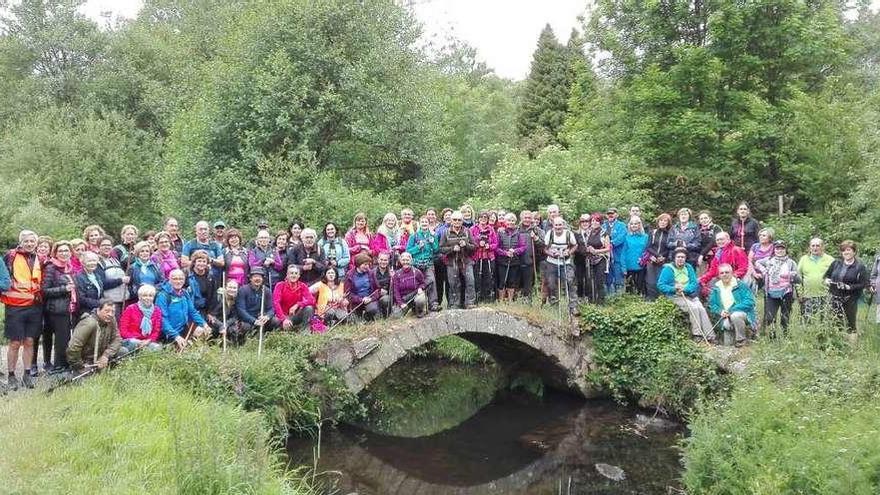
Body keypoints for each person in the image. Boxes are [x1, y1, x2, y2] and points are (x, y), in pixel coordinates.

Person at [2, 231, 43, 389]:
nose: (30, 243)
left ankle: (27, 374)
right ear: (21, 242)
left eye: (32, 241)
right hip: (15, 306)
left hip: (34, 306)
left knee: (29, 341)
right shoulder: (10, 256)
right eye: (26, 241)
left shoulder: (39, 258)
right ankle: (11, 375)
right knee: (14, 342)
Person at [658, 248, 716, 343]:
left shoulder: (688, 267)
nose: (680, 259)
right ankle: (697, 334)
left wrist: (686, 289)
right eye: (678, 257)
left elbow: (694, 283)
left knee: (701, 308)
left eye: (683, 257)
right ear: (674, 258)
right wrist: (674, 288)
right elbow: (661, 285)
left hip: (689, 294)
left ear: (685, 259)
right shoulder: (668, 269)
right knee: (693, 308)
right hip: (675, 296)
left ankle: (710, 335)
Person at [40, 241, 77, 372]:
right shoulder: (51, 267)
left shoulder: (70, 267)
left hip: (67, 308)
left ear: (71, 253)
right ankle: (59, 367)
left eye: (66, 251)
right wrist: (64, 288)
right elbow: (44, 291)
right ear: (55, 253)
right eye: (60, 251)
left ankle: (63, 365)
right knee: (61, 339)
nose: (64, 253)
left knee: (65, 338)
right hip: (56, 309)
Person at [66, 299, 128, 373]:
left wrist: (105, 355)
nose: (110, 314)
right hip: (86, 361)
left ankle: (111, 373)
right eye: (107, 311)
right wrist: (79, 365)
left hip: (101, 356)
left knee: (123, 351)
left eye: (113, 312)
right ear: (98, 310)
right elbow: (73, 347)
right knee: (86, 381)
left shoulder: (111, 320)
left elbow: (117, 339)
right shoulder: (89, 323)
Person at [754, 241, 800, 337]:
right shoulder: (769, 260)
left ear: (786, 250)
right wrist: (763, 270)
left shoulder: (791, 262)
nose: (779, 250)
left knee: (785, 317)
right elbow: (757, 262)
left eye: (782, 248)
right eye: (777, 248)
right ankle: (772, 336)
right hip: (771, 292)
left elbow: (798, 279)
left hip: (786, 292)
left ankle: (786, 336)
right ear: (774, 250)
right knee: (770, 317)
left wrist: (791, 275)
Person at [155, 269, 209, 349]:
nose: (178, 281)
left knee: (201, 331)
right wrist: (176, 336)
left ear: (184, 280)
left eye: (181, 279)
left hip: (182, 328)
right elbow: (162, 319)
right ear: (169, 280)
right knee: (178, 350)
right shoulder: (163, 296)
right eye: (175, 279)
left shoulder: (184, 293)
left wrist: (204, 324)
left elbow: (192, 312)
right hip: (168, 332)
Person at [824, 240, 868, 334]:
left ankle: (852, 348)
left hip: (850, 299)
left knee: (851, 325)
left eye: (848, 250)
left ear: (854, 252)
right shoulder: (836, 263)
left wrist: (849, 287)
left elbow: (863, 283)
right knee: (835, 323)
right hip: (834, 298)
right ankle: (837, 346)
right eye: (843, 250)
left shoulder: (859, 267)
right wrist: (827, 280)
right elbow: (827, 275)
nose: (846, 252)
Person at [708, 263, 756, 347]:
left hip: (742, 314)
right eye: (722, 273)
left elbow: (750, 301)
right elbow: (712, 305)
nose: (724, 275)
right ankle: (729, 348)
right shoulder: (716, 288)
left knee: (735, 316)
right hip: (725, 316)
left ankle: (741, 341)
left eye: (727, 272)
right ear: (719, 275)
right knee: (726, 330)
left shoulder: (740, 285)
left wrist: (732, 309)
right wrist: (720, 311)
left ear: (732, 273)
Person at [440, 211, 476, 309]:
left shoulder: (467, 231)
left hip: (466, 261)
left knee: (470, 281)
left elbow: (474, 247)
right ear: (451, 221)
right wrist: (452, 249)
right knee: (453, 283)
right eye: (455, 220)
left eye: (459, 220)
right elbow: (441, 248)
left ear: (462, 221)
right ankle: (455, 304)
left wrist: (466, 245)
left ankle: (470, 303)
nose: (457, 222)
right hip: (452, 262)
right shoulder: (445, 232)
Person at [543, 217, 579, 315]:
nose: (558, 227)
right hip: (552, 262)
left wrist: (569, 252)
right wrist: (551, 253)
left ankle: (573, 307)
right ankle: (554, 306)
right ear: (553, 226)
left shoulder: (568, 234)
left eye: (560, 225)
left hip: (565, 262)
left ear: (563, 225)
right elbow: (545, 249)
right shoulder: (549, 234)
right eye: (556, 225)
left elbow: (575, 245)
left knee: (570, 281)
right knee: (551, 284)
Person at [406, 216, 441, 311]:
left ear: (429, 224)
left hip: (428, 263)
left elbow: (437, 250)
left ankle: (433, 303)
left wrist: (433, 243)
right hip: (416, 264)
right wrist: (418, 247)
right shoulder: (414, 236)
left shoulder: (433, 235)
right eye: (422, 222)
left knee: (432, 281)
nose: (424, 223)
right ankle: (415, 305)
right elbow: (408, 251)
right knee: (415, 283)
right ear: (419, 223)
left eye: (426, 222)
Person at [797, 237, 836, 322]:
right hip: (808, 296)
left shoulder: (830, 260)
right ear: (809, 247)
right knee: (807, 321)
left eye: (818, 245)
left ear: (822, 247)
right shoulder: (804, 259)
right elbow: (798, 277)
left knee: (825, 321)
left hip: (826, 296)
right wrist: (800, 293)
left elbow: (836, 277)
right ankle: (809, 335)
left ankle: (824, 335)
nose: (815, 248)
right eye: (813, 245)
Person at [76, 251, 123, 317]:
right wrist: (100, 303)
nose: (92, 263)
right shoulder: (79, 277)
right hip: (86, 313)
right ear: (83, 262)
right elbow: (81, 299)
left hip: (97, 310)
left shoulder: (97, 275)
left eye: (94, 261)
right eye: (89, 261)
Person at [118, 284, 163, 352]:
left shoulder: (157, 310)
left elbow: (156, 331)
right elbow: (123, 330)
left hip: (147, 341)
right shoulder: (130, 309)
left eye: (150, 296)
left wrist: (148, 341)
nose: (147, 298)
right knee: (133, 344)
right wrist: (138, 341)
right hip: (131, 340)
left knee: (157, 348)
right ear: (139, 297)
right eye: (144, 295)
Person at [273, 265, 316, 333]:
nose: (294, 275)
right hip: (283, 316)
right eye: (291, 273)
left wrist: (298, 305)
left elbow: (312, 300)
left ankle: (304, 331)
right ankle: (288, 328)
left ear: (299, 276)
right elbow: (276, 303)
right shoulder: (280, 285)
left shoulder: (302, 286)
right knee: (275, 321)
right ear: (287, 275)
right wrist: (284, 319)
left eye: (296, 273)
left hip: (295, 315)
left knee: (309, 308)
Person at [237, 268, 277, 337]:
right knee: (245, 327)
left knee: (275, 321)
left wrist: (267, 316)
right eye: (255, 277)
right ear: (250, 279)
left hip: (261, 317)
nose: (257, 279)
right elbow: (241, 310)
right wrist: (254, 321)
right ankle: (245, 342)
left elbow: (271, 309)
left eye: (259, 277)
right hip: (248, 319)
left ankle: (266, 337)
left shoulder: (266, 290)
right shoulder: (243, 290)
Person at [495, 213, 525, 303]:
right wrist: (505, 253)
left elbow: (523, 247)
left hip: (514, 262)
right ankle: (501, 300)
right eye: (508, 220)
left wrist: (515, 251)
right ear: (505, 221)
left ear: (515, 222)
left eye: (512, 221)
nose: (510, 222)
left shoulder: (518, 233)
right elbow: (496, 247)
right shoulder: (500, 233)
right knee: (502, 281)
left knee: (511, 282)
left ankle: (510, 300)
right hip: (502, 262)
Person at [98, 236, 130, 318]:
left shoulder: (115, 260)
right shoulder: (97, 263)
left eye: (109, 245)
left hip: (124, 299)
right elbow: (102, 283)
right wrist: (121, 280)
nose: (107, 247)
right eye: (103, 245)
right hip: (111, 302)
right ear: (99, 247)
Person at [517, 210, 545, 302]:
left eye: (529, 218)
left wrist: (536, 238)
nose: (527, 219)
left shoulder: (537, 230)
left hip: (531, 260)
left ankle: (527, 300)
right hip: (517, 259)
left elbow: (543, 244)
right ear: (521, 218)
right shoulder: (517, 229)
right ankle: (517, 300)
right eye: (525, 217)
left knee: (529, 282)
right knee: (517, 281)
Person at [471, 211, 499, 303]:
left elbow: (496, 244)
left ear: (487, 219)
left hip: (488, 257)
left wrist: (489, 246)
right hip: (477, 256)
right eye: (481, 217)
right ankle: (478, 297)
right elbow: (470, 242)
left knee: (488, 277)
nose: (483, 219)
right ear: (478, 218)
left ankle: (487, 297)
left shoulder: (491, 230)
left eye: (485, 217)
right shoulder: (473, 229)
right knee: (477, 277)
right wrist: (478, 243)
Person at [582, 213, 610, 304]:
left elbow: (608, 248)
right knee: (589, 281)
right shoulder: (588, 232)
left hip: (600, 259)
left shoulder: (604, 233)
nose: (594, 222)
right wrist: (588, 249)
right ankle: (591, 301)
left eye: (597, 221)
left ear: (600, 222)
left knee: (599, 281)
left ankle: (601, 302)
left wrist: (596, 251)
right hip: (590, 259)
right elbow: (585, 244)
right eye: (593, 220)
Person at [644, 213, 672, 300]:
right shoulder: (653, 232)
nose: (663, 222)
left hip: (664, 260)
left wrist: (663, 257)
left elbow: (669, 247)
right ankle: (651, 299)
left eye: (665, 221)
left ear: (668, 223)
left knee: (661, 280)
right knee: (650, 281)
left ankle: (661, 300)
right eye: (661, 220)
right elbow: (648, 247)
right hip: (652, 259)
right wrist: (656, 255)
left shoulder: (670, 234)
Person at [392, 252, 428, 317]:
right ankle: (408, 309)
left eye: (407, 260)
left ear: (411, 261)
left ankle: (419, 310)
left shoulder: (417, 272)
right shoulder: (397, 274)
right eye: (403, 260)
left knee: (420, 300)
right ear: (400, 261)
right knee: (396, 316)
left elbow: (423, 283)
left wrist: (420, 288)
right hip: (404, 299)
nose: (405, 262)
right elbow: (396, 291)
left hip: (415, 296)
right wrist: (401, 303)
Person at [621, 216, 649, 296]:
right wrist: (623, 267)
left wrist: (643, 260)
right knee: (629, 288)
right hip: (629, 266)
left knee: (640, 287)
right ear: (629, 225)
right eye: (632, 224)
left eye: (636, 224)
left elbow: (647, 251)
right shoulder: (626, 237)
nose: (634, 225)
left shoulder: (645, 237)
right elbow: (623, 253)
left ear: (639, 225)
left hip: (641, 265)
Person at [187, 250, 219, 319]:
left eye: (204, 261)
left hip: (205, 309)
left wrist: (211, 313)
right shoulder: (187, 275)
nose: (201, 263)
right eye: (199, 261)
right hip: (190, 309)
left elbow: (213, 296)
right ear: (194, 262)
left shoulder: (210, 277)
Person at [603, 208, 627, 295]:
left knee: (618, 275)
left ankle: (619, 298)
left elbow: (622, 237)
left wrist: (611, 243)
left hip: (618, 254)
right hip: (606, 255)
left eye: (612, 213)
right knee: (608, 276)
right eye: (608, 214)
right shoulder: (603, 225)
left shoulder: (622, 225)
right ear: (606, 215)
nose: (610, 215)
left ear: (616, 215)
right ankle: (609, 297)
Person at [212, 278, 243, 344]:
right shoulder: (219, 298)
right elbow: (213, 316)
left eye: (234, 288)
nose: (232, 290)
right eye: (230, 287)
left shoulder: (237, 300)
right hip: (217, 322)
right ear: (226, 287)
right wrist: (221, 325)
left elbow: (235, 317)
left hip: (228, 323)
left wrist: (226, 325)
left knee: (234, 330)